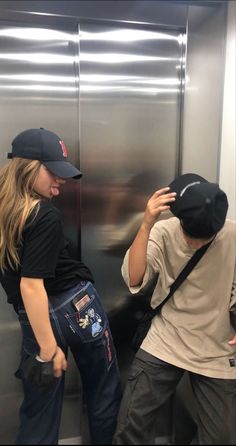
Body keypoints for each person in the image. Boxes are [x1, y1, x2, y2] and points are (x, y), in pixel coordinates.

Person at [0, 128, 122, 445]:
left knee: (39, 409)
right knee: (103, 390)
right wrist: (48, 349)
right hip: (77, 307)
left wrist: (43, 346)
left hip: (34, 317)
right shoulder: (44, 215)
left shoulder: (6, 210)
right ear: (27, 166)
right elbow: (31, 285)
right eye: (53, 171)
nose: (61, 180)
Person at [113, 173, 236, 445]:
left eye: (206, 237)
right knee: (131, 424)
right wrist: (146, 224)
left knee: (222, 437)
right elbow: (134, 279)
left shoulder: (232, 235)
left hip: (216, 346)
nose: (196, 243)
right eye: (190, 234)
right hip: (166, 338)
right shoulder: (163, 231)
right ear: (179, 218)